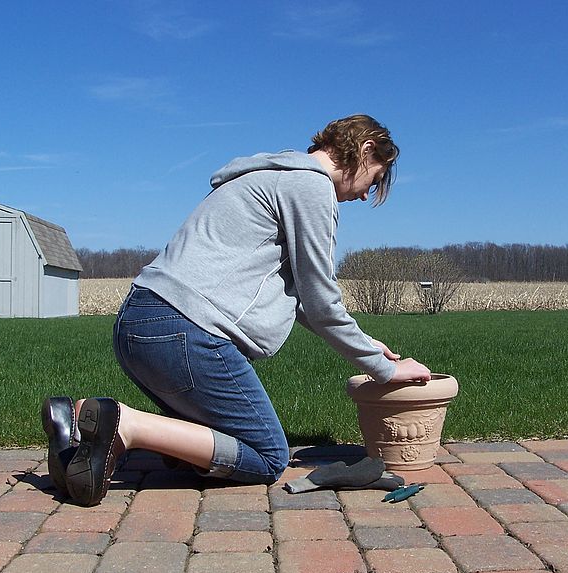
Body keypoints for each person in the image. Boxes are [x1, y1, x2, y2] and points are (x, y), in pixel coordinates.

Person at [43, 114, 432, 506]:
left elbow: (305, 305)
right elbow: (321, 301)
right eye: (375, 178)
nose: (367, 194)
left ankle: (77, 435)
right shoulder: (310, 186)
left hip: (137, 326)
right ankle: (123, 425)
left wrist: (367, 344)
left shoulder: (263, 177)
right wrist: (385, 369)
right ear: (365, 150)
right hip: (187, 333)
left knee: (212, 446)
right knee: (266, 457)